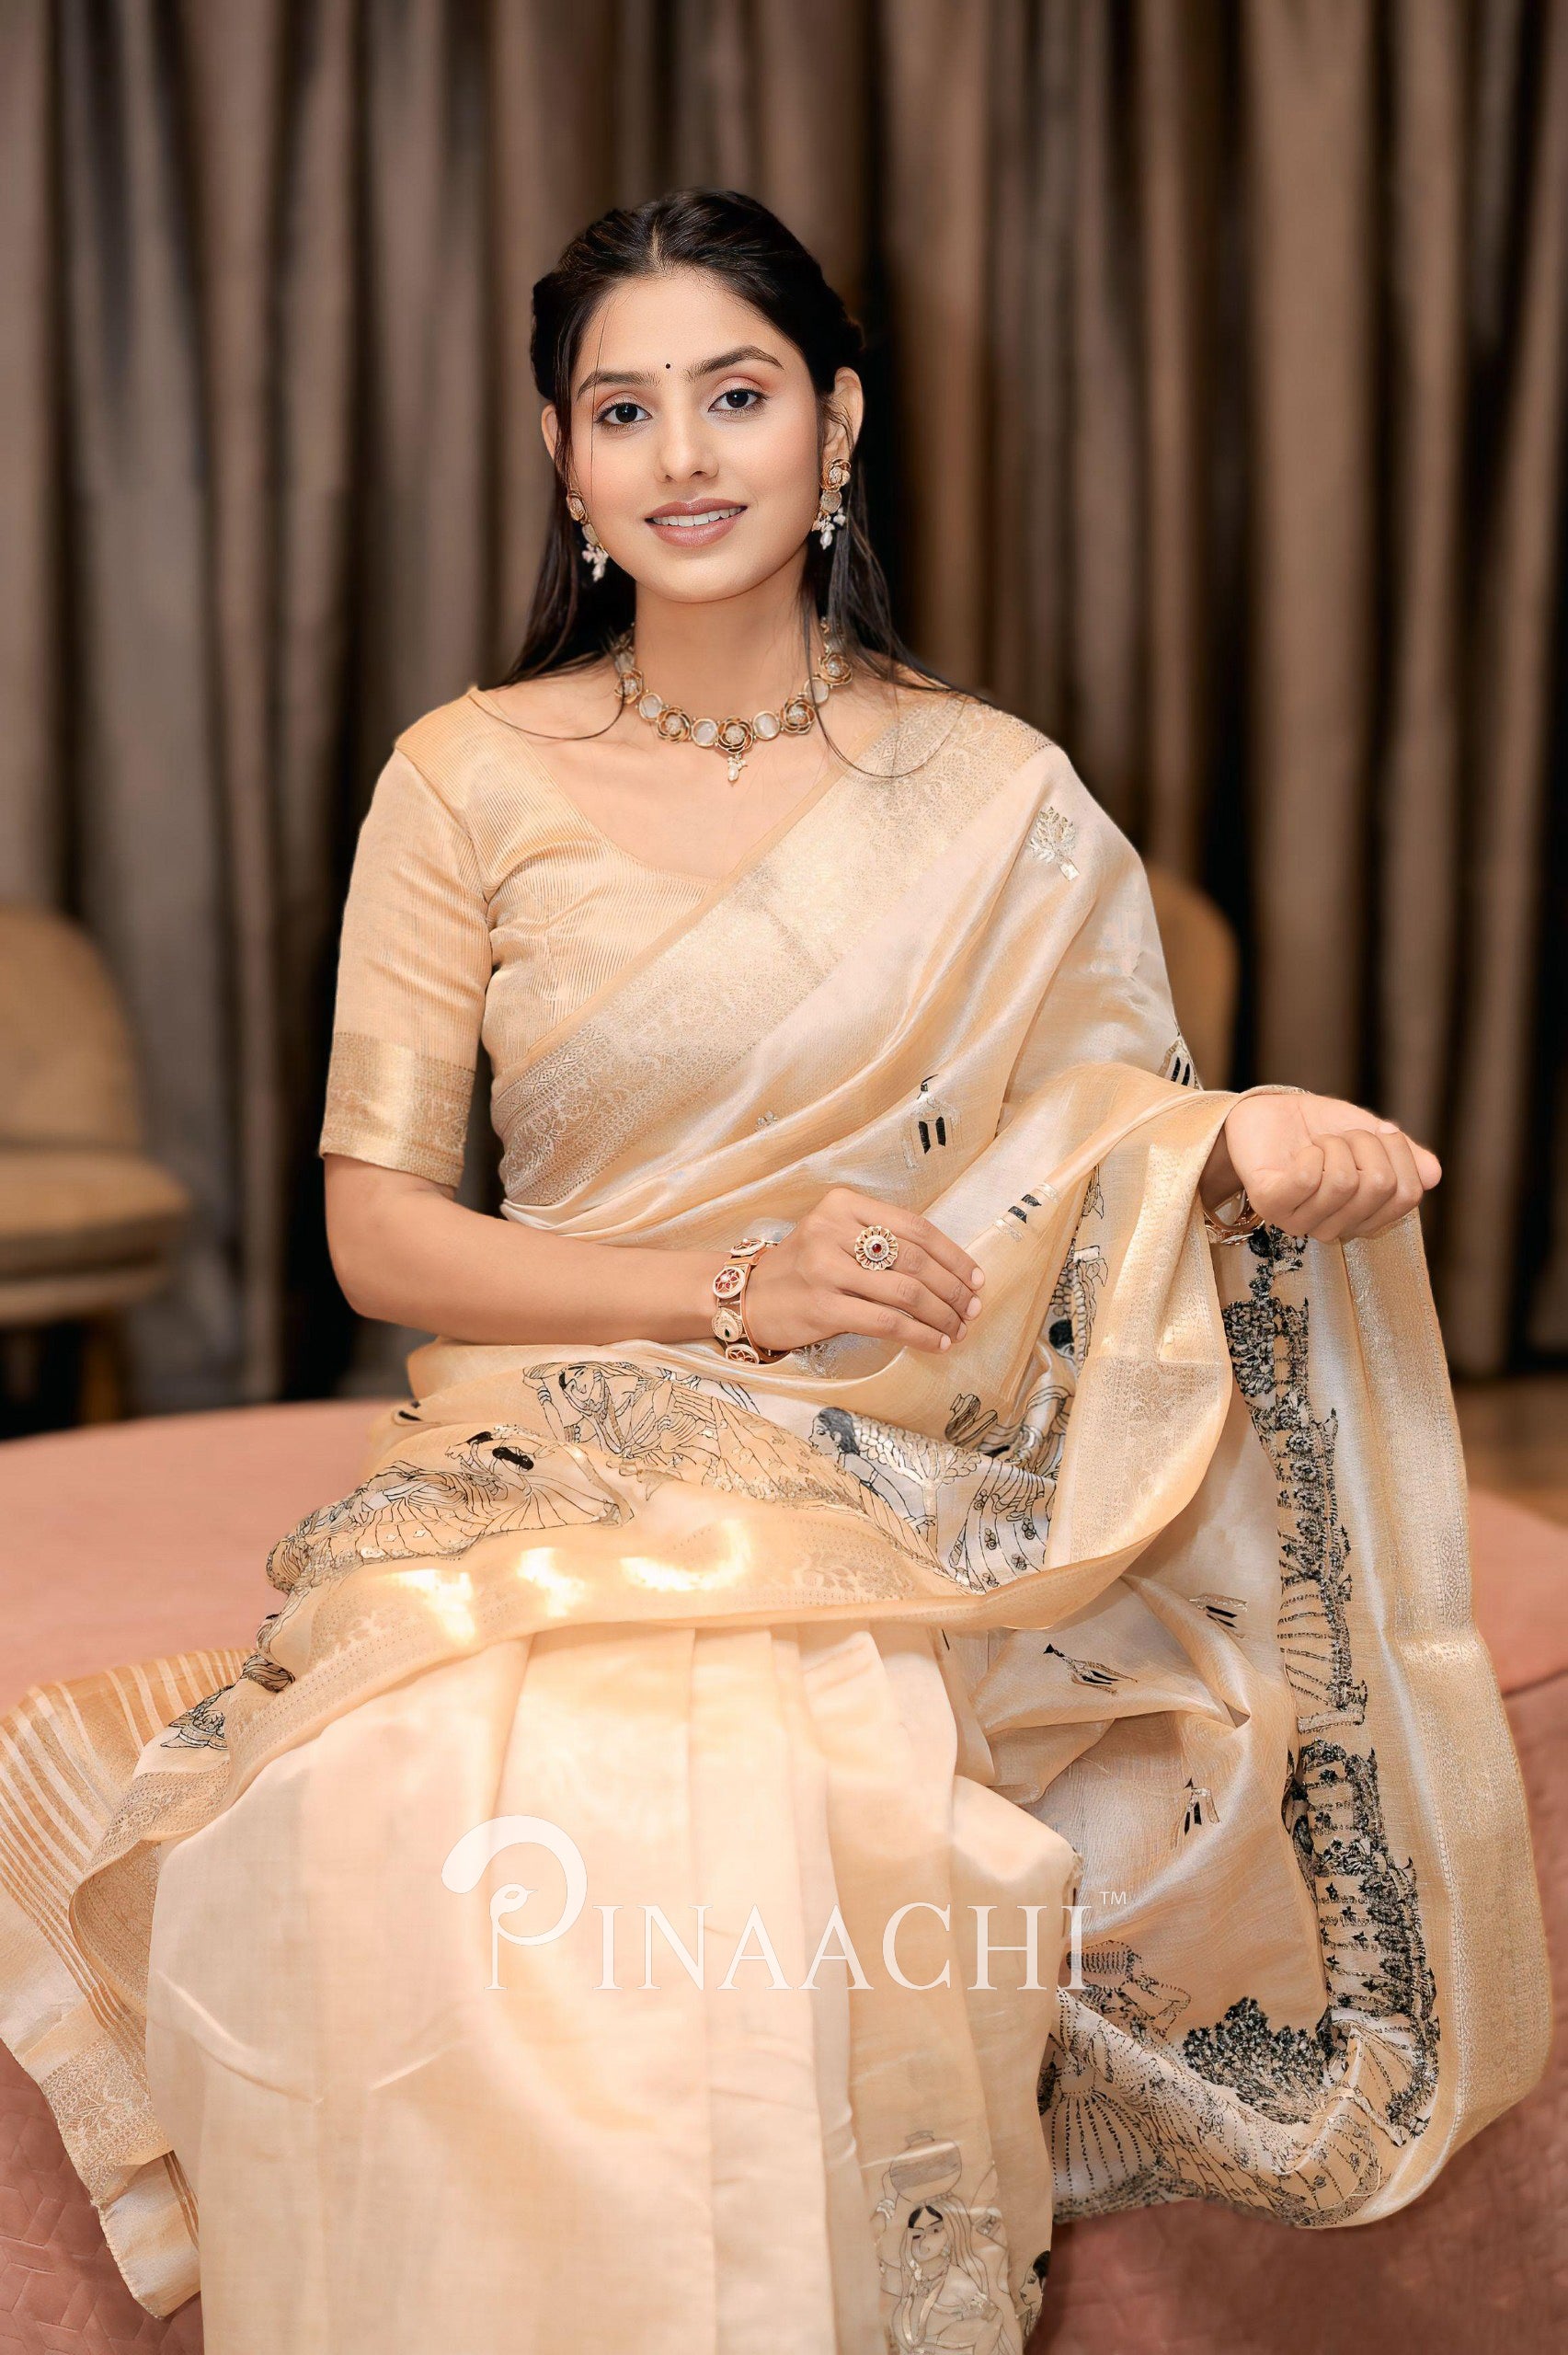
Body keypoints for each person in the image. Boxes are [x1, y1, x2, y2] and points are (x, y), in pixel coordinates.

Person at [0, 190, 1549, 2355]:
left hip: (899, 1448)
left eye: (736, 394)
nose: (685, 454)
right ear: (563, 458)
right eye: (623, 409)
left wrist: (1230, 1140)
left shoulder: (992, 796)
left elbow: (1092, 1143)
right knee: (399, 1797)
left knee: (778, 1798)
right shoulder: (463, 779)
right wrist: (733, 1286)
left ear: (835, 422)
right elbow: (381, 1232)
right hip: (557, 1434)